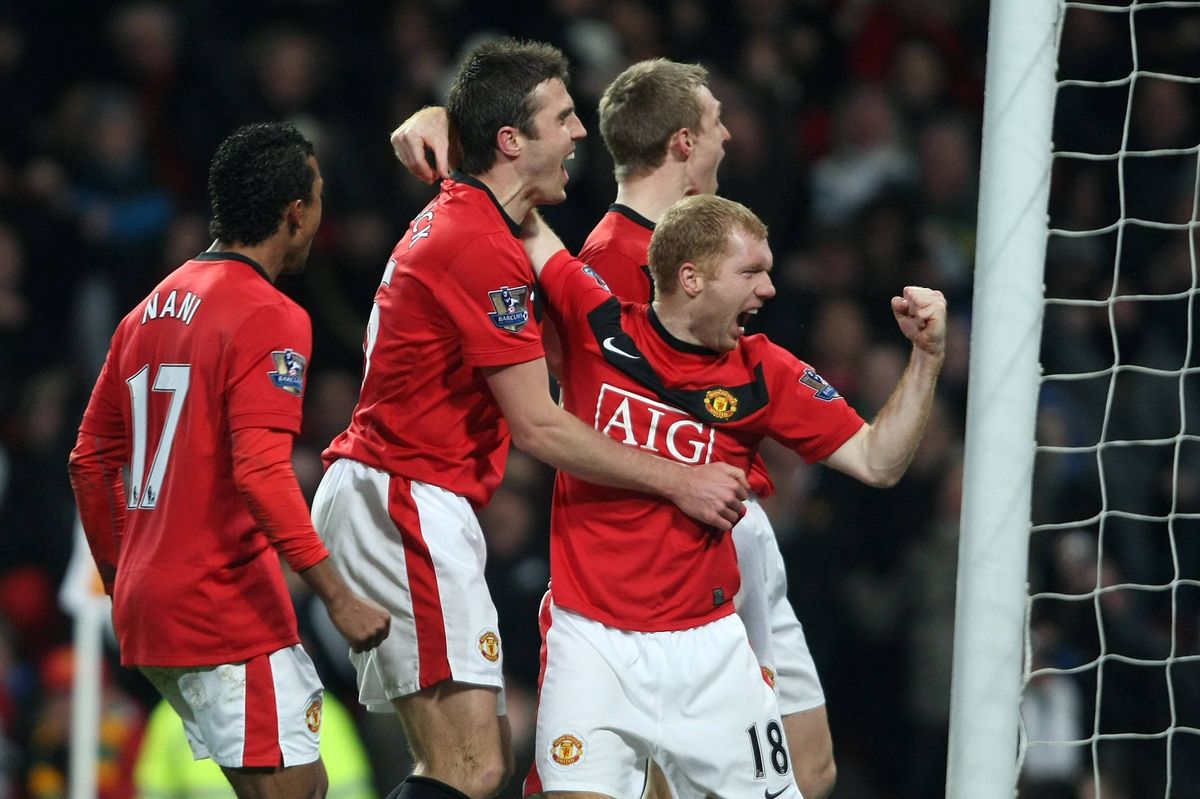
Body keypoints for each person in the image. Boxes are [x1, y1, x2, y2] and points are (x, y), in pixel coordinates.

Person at [310, 40, 749, 799]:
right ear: (513, 141)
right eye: (564, 116)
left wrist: (441, 114)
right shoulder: (479, 244)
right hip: (406, 496)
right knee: (474, 765)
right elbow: (540, 428)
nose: (581, 133)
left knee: (463, 761)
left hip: (394, 493)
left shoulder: (472, 218)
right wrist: (680, 479)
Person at [391, 58, 834, 799]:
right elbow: (581, 408)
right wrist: (446, 133)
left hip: (732, 526)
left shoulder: (717, 244)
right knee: (654, 773)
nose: (731, 134)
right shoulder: (611, 260)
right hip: (663, 562)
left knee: (809, 768)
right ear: (685, 141)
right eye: (718, 120)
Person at [514, 195, 945, 798]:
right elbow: (522, 218)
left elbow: (878, 461)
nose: (768, 289)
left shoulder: (765, 370)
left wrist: (926, 360)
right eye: (751, 272)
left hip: (709, 651)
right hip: (592, 642)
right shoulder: (598, 323)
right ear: (690, 278)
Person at [68, 122, 391, 799]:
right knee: (294, 790)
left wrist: (126, 573)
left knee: (292, 785)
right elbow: (262, 471)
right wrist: (338, 596)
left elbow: (91, 459)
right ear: (294, 213)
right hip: (221, 601)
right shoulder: (267, 313)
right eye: (320, 196)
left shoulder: (146, 311)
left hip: (152, 605)